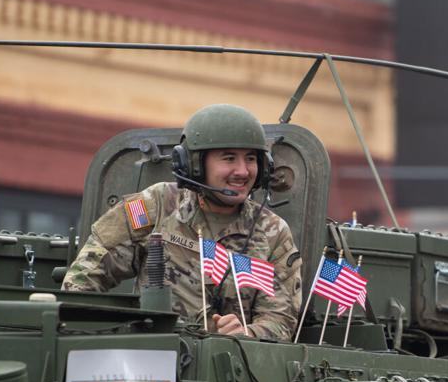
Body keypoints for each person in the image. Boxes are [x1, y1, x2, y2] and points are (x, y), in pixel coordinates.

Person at [63, 104, 302, 339]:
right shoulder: (155, 204)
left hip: (228, 360)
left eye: (250, 159)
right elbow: (85, 276)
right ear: (194, 165)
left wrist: (246, 333)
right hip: (152, 352)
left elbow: (281, 321)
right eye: (229, 158)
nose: (242, 171)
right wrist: (85, 335)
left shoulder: (273, 232)